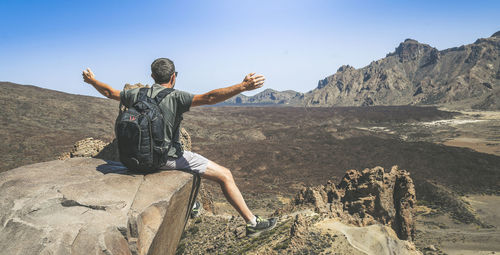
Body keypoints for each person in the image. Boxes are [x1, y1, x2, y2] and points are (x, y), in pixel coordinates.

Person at [82, 57, 277, 237]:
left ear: (152, 76)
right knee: (225, 175)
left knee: (192, 170)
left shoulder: (136, 94)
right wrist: (242, 86)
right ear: (173, 76)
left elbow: (109, 92)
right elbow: (209, 98)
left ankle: (190, 205)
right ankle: (252, 223)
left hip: (134, 161)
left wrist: (92, 81)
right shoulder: (176, 97)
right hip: (166, 160)